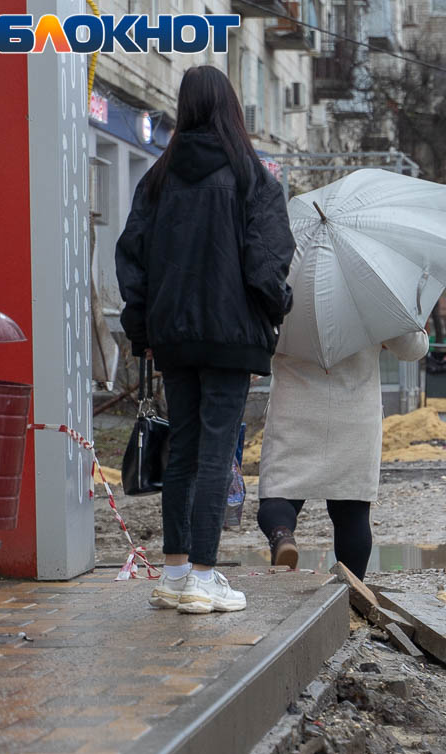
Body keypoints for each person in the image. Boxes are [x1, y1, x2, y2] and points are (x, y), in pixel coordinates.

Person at [116, 66, 295, 614]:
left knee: (184, 452)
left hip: (173, 337)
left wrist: (142, 330)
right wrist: (277, 307)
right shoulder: (253, 179)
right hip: (230, 336)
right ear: (230, 108)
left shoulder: (156, 180)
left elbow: (133, 261)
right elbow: (267, 264)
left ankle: (173, 575)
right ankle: (203, 575)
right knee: (218, 453)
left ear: (185, 106)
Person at [256, 330, 429, 580]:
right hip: (354, 413)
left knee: (279, 494)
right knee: (352, 511)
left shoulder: (290, 290)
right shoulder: (373, 292)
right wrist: (416, 328)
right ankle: (351, 591)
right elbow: (411, 349)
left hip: (294, 408)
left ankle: (282, 535)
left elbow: (263, 340)